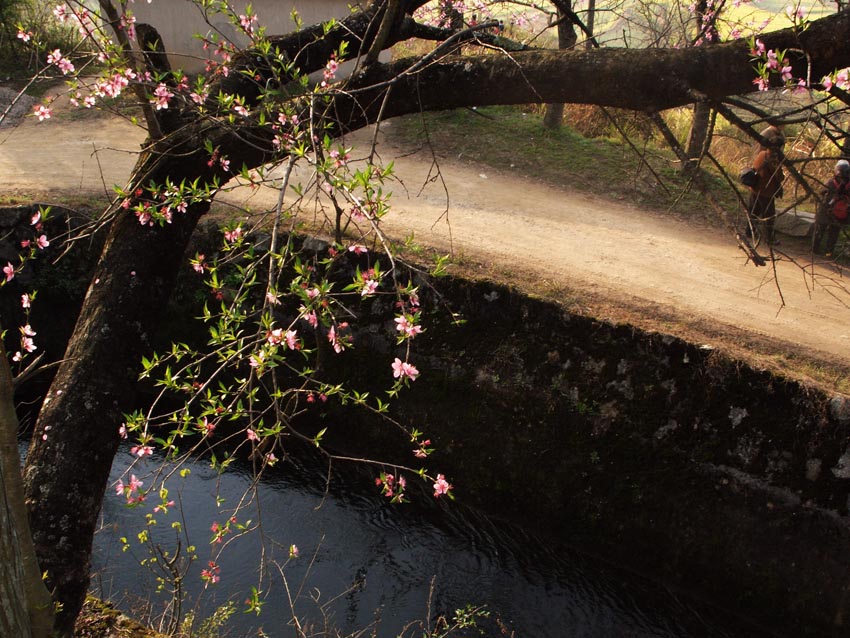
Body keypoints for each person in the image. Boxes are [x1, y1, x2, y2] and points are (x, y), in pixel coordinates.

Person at [746, 125, 786, 245]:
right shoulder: (773, 158)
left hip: (755, 188)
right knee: (769, 216)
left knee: (754, 211)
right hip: (766, 191)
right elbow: (779, 176)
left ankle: (749, 232)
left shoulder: (762, 154)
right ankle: (769, 238)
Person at [813, 159, 850, 256]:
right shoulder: (847, 184)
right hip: (840, 212)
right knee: (834, 232)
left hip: (826, 209)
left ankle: (815, 250)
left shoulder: (831, 182)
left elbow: (821, 192)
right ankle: (828, 252)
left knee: (820, 229)